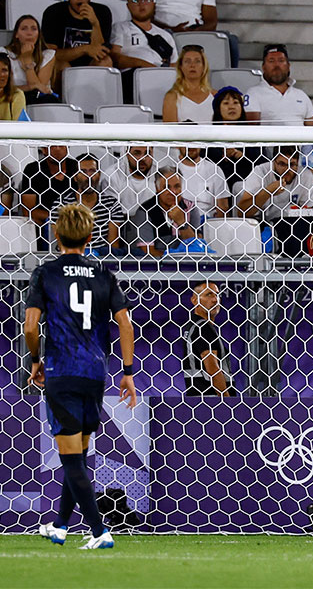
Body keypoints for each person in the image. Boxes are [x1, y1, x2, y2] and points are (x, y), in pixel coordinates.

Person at [26, 202, 136, 549]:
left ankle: (100, 531)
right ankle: (60, 526)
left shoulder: (46, 273)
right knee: (79, 453)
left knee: (70, 456)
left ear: (56, 235)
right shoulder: (104, 274)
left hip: (62, 371)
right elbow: (125, 324)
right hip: (94, 373)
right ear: (91, 237)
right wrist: (128, 372)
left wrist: (34, 359)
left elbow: (30, 326)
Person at [235, 146, 313, 257]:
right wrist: (268, 191)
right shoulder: (261, 171)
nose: (287, 170)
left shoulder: (305, 175)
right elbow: (242, 212)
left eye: (292, 165)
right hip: (264, 225)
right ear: (273, 162)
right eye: (282, 164)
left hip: (295, 227)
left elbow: (310, 212)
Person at [49, 154, 126, 255]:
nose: (89, 176)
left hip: (102, 259)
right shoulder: (62, 205)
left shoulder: (111, 204)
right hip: (71, 257)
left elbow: (113, 245)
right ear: (75, 177)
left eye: (92, 171)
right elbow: (60, 242)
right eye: (83, 172)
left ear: (99, 175)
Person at [110, 0, 176, 103]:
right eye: (135, 1)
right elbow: (115, 59)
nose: (141, 4)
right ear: (128, 5)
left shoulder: (165, 35)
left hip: (161, 78)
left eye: (145, 0)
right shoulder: (120, 28)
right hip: (132, 77)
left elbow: (174, 67)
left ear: (152, 3)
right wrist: (143, 65)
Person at [151, 0, 240, 67]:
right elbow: (147, 16)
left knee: (230, 40)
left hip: (195, 28)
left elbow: (211, 21)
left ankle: (230, 78)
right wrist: (171, 28)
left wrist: (198, 30)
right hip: (165, 30)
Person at [132, 166, 201, 257]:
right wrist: (175, 260)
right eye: (167, 187)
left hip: (189, 264)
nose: (173, 192)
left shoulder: (191, 208)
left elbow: (198, 248)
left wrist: (182, 223)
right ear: (157, 188)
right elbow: (148, 252)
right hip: (159, 266)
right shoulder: (145, 211)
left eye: (177, 186)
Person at [207, 86, 265, 194]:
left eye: (235, 102)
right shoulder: (210, 137)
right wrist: (222, 157)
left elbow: (262, 165)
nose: (231, 107)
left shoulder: (253, 136)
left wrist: (242, 157)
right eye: (226, 103)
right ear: (218, 109)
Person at [41, 0, 113, 74]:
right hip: (64, 61)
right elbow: (50, 54)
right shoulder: (53, 12)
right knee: (60, 65)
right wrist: (84, 49)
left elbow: (101, 51)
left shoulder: (102, 12)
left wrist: (95, 24)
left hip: (91, 63)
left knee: (105, 61)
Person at [182, 281, 233, 397]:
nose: (215, 299)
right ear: (194, 300)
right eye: (208, 295)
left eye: (217, 294)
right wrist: (227, 401)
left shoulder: (192, 326)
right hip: (211, 400)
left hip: (198, 399)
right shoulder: (203, 327)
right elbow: (212, 369)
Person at [244, 44, 313, 126]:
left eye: (281, 60)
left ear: (288, 66)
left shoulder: (301, 95)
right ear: (263, 67)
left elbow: (312, 128)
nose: (276, 65)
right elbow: (251, 128)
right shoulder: (253, 93)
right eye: (271, 61)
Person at [2, 15, 57, 103]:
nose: (29, 33)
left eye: (33, 29)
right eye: (24, 29)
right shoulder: (3, 53)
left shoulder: (48, 55)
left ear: (39, 34)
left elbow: (39, 90)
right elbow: (3, 88)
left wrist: (27, 60)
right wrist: (28, 87)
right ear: (16, 34)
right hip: (12, 97)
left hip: (37, 99)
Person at [21, 145, 77, 227]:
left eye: (61, 146)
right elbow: (28, 211)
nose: (57, 149)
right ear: (44, 150)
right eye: (53, 146)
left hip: (76, 225)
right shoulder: (33, 170)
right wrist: (60, 220)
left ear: (67, 148)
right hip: (44, 227)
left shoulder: (76, 167)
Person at [162, 45, 214, 123]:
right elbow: (169, 132)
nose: (192, 65)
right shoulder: (172, 97)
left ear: (204, 66)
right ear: (181, 67)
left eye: (197, 61)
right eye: (187, 61)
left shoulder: (215, 96)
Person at [101, 144, 156, 217]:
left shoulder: (160, 174)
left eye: (147, 153)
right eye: (137, 153)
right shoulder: (112, 175)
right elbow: (112, 214)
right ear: (127, 154)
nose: (143, 158)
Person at [176, 146, 229, 219]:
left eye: (195, 141)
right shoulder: (170, 169)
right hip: (179, 221)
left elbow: (223, 208)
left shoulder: (214, 170)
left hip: (207, 224)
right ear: (178, 146)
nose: (191, 146)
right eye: (187, 141)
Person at [0, 53, 26, 121]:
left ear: (9, 74)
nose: (1, 74)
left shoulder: (17, 95)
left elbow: (19, 127)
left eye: (4, 70)